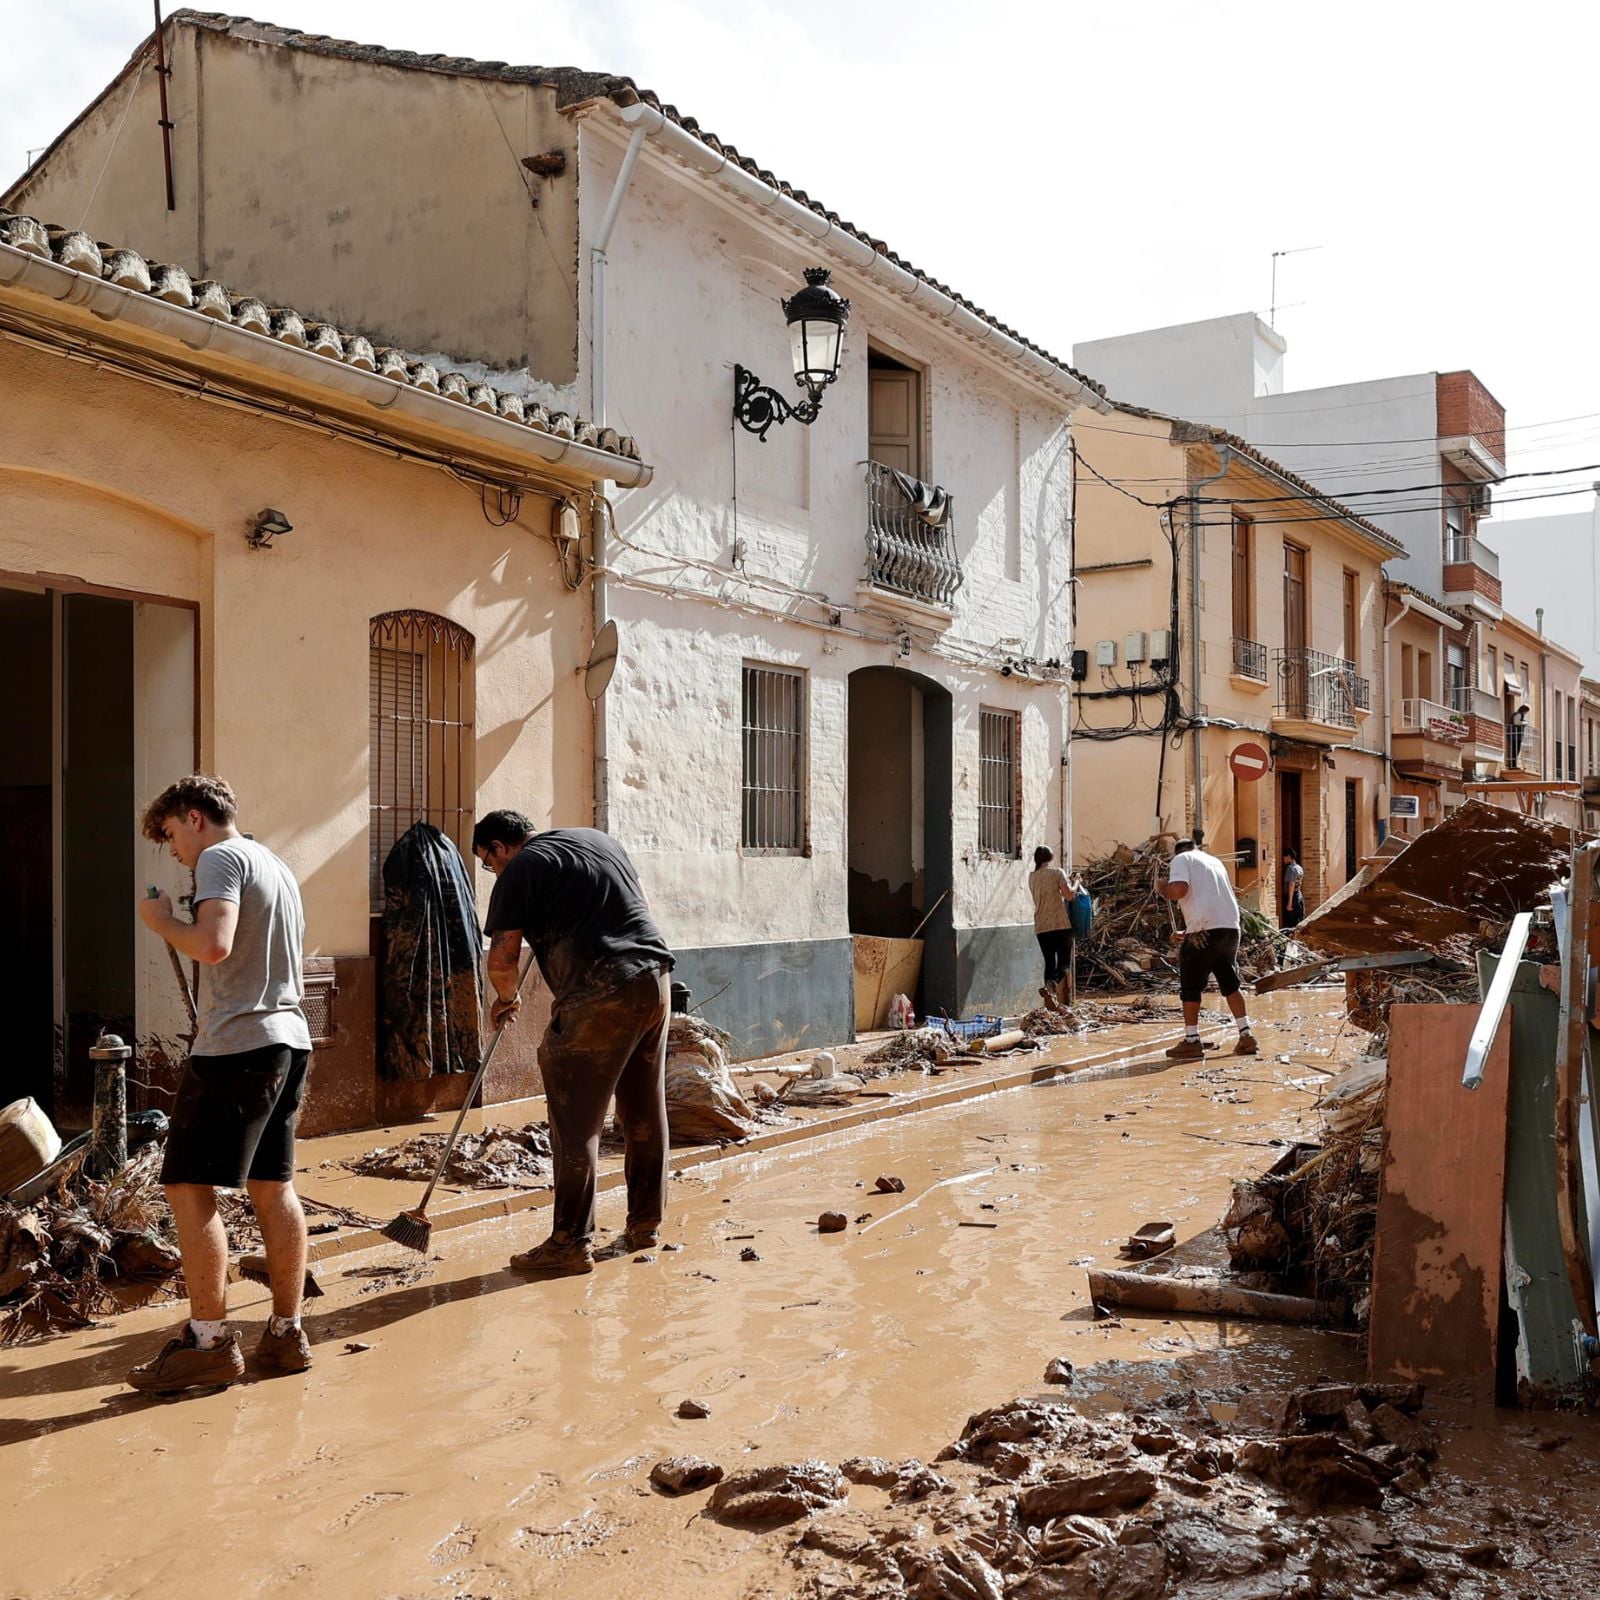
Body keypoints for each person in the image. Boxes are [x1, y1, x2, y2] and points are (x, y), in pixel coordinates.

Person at [127, 775, 313, 1393]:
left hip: (237, 1047)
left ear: (194, 817)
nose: (174, 851)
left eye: (172, 834)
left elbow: (212, 945)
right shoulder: (274, 863)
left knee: (186, 1185)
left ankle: (208, 1342)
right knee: (272, 1186)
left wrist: (160, 921)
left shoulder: (222, 858)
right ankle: (286, 1333)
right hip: (288, 1040)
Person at [474, 812, 674, 1276]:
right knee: (644, 1108)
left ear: (500, 846)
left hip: (598, 992)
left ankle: (569, 1241)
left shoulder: (520, 871)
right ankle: (645, 1223)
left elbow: (503, 959)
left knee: (574, 1121)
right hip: (654, 979)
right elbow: (638, 905)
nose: (493, 871)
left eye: (488, 862)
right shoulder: (600, 841)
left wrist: (506, 998)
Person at [1160, 837, 1257, 1061]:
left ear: (1179, 852)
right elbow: (1211, 903)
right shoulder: (1214, 862)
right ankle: (1246, 1035)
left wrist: (1163, 888)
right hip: (1229, 929)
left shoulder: (1181, 859)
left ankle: (1192, 1040)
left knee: (1190, 986)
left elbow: (1179, 890)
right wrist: (1187, 931)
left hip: (1204, 932)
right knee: (1230, 982)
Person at [1028, 845, 1081, 1011]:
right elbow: (1069, 895)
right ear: (1050, 859)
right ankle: (1056, 993)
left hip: (1041, 926)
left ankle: (1049, 998)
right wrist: (1077, 881)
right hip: (1060, 924)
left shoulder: (1032, 877)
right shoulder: (1057, 872)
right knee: (1064, 962)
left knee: (1049, 963)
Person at [1281, 847, 1306, 930]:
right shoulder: (1299, 868)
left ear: (1288, 856)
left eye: (1284, 857)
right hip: (1299, 895)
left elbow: (1291, 884)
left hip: (1293, 897)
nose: (1283, 860)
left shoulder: (1290, 869)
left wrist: (1289, 902)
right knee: (1299, 919)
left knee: (1292, 922)